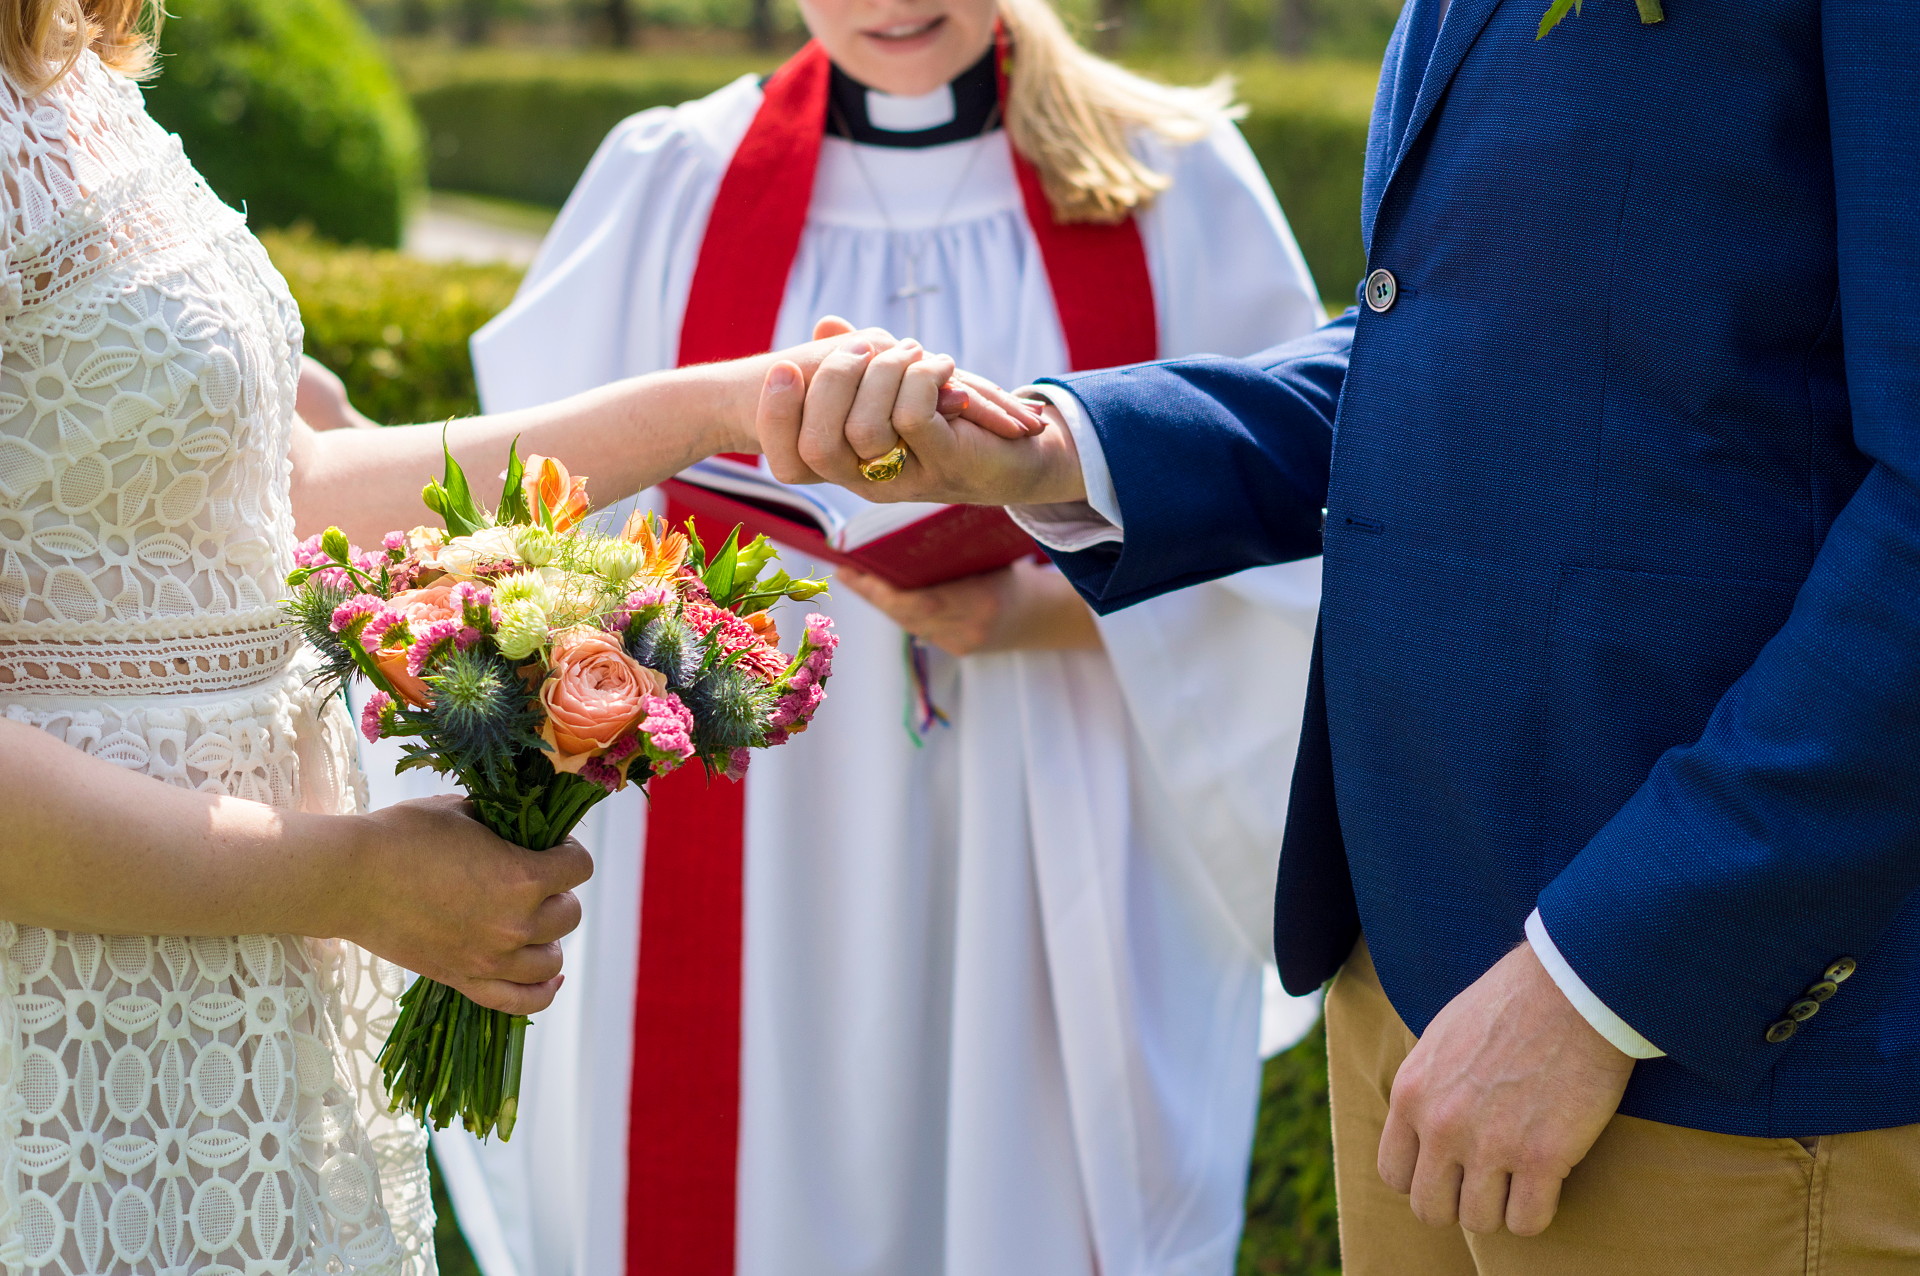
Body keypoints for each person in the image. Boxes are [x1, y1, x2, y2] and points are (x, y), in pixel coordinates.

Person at [759, 0, 1920, 1272]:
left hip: (1686, 1040)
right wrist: (1046, 449)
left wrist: (1603, 982)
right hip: (1409, 983)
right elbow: (1448, 349)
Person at [0, 5, 944, 1272]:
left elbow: (290, 488)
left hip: (237, 987)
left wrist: (728, 401)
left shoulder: (70, 70)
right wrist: (348, 877)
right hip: (57, 1009)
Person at [420, 2, 1326, 1274]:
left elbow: (1305, 508)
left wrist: (1053, 605)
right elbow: (537, 528)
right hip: (749, 815)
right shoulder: (670, 178)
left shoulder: (1169, 176)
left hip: (1051, 804)